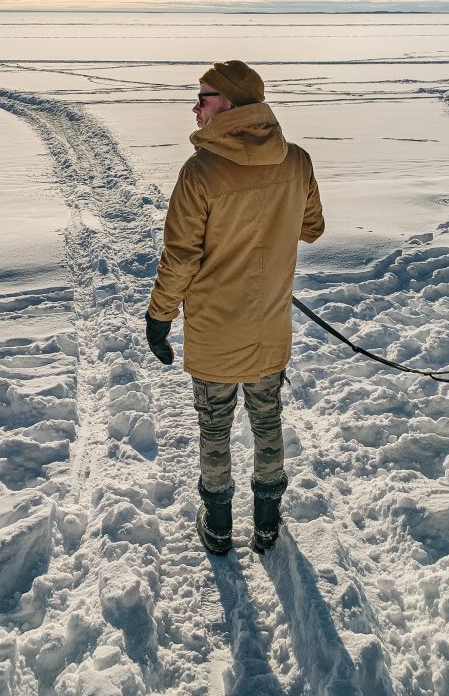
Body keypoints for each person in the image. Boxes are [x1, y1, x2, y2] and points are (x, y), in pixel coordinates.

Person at [145, 60, 325, 554]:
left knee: (215, 426)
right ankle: (267, 523)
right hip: (271, 326)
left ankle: (219, 525)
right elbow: (312, 228)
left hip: (215, 331)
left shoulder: (200, 171)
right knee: (267, 419)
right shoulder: (297, 161)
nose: (195, 107)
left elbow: (181, 257)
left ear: (229, 103)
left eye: (202, 97)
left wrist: (159, 318)